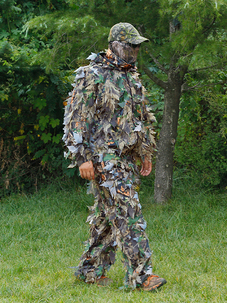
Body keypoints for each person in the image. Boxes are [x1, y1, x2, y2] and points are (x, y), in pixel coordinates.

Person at [63, 22, 166, 291]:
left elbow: (141, 118)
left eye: (136, 47)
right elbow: (76, 119)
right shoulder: (92, 74)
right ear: (115, 45)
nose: (133, 52)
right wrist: (83, 157)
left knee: (107, 218)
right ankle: (142, 276)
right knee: (128, 212)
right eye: (129, 46)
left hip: (127, 159)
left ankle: (89, 270)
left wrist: (145, 152)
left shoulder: (132, 77)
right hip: (103, 158)